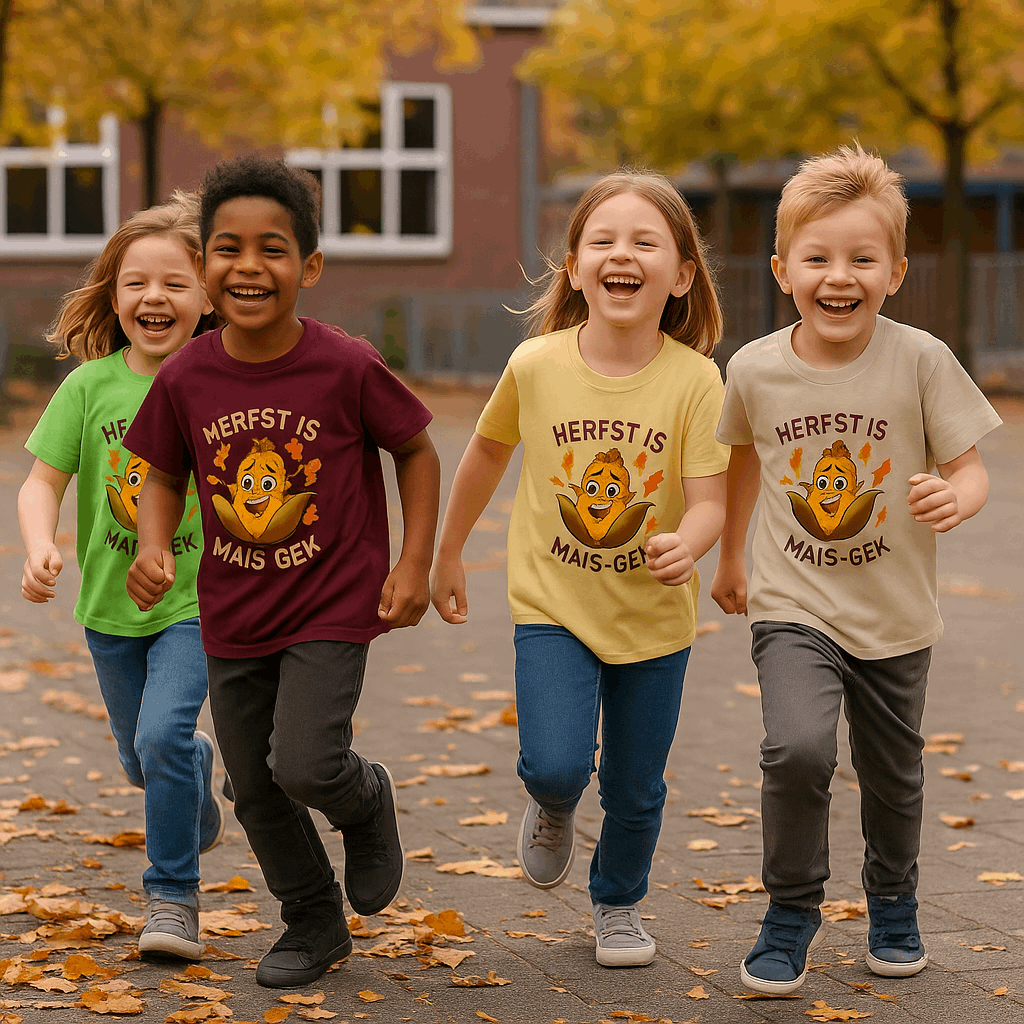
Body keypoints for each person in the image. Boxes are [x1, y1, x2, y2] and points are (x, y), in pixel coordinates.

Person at [123, 155, 440, 988]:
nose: (248, 267)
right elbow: (160, 470)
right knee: (254, 787)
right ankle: (312, 919)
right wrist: (155, 548)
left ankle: (365, 800)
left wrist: (414, 561)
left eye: (272, 249)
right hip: (233, 613)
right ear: (202, 264)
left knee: (303, 763)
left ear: (310, 266)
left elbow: (415, 449)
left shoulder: (345, 364)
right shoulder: (188, 375)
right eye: (228, 249)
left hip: (332, 602)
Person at [711, 144, 1002, 995]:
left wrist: (961, 496)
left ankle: (893, 901)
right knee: (797, 749)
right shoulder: (755, 368)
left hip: (896, 614)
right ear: (783, 268)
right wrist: (731, 557)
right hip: (792, 603)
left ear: (896, 270)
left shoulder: (920, 359)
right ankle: (791, 911)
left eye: (862, 259)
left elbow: (972, 466)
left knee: (893, 774)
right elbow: (740, 466)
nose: (840, 276)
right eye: (819, 258)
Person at [430, 171, 729, 968]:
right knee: (558, 761)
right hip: (552, 605)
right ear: (573, 266)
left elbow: (711, 499)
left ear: (682, 275)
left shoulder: (698, 380)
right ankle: (552, 803)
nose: (620, 256)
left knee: (636, 788)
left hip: (656, 619)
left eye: (644, 243)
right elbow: (488, 451)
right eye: (602, 241)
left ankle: (619, 903)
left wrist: (691, 542)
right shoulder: (537, 364)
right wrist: (448, 550)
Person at [19, 194, 224, 960]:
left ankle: (172, 899)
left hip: (197, 601)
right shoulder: (90, 387)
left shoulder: (221, 382)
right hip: (108, 608)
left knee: (163, 731)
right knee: (147, 758)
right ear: (113, 296)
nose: (154, 298)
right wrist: (40, 545)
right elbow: (42, 482)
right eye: (136, 283)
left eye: (175, 282)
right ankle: (194, 768)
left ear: (207, 297)